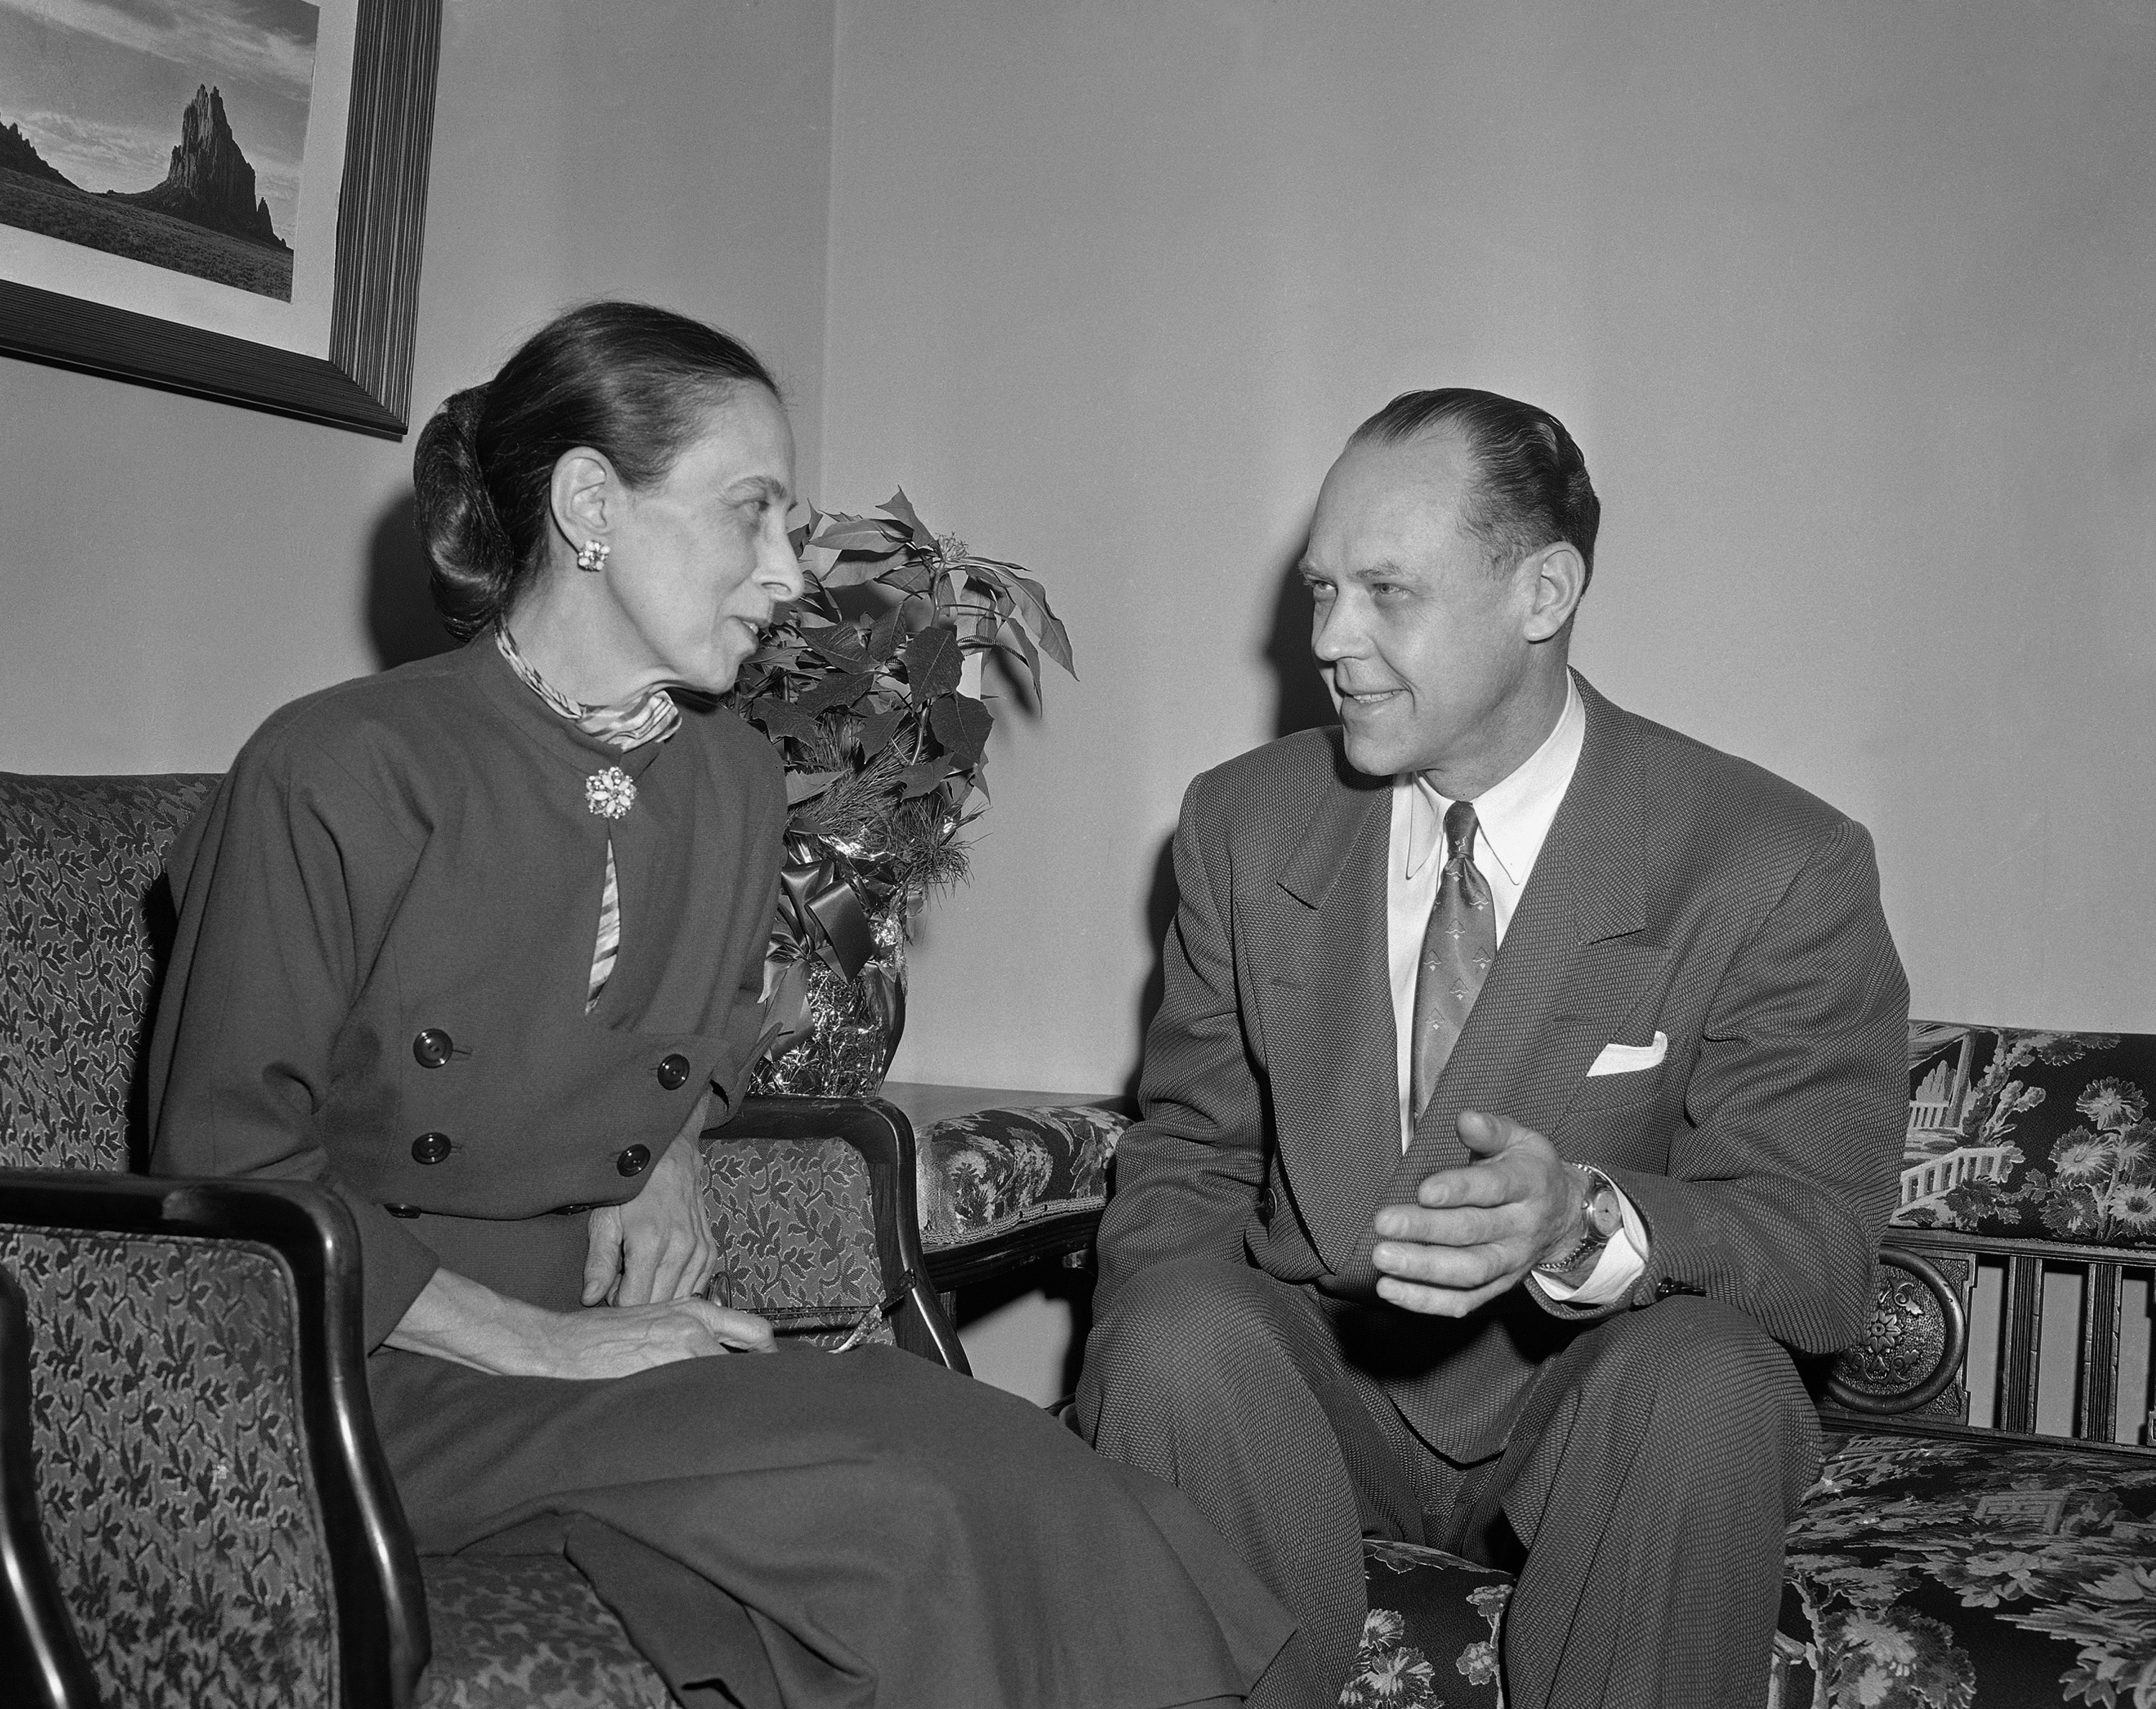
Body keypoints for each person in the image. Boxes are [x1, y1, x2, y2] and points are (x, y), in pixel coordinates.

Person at [147, 300, 1292, 1709]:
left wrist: (672, 1136)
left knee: (1013, 1463)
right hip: (374, 1357)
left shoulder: (734, 776)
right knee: (912, 1500)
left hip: (618, 1329)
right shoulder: (339, 767)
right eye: (750, 515)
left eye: (792, 525)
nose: (785, 576)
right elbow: (226, 1161)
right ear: (588, 507)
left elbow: (710, 1026)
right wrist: (540, 1342)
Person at [1076, 389, 1907, 1709]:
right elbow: (1189, 1150)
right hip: (1317, 1392)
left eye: (1386, 593)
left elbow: (1816, 1255)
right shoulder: (1242, 822)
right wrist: (1142, 1398)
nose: (1331, 639)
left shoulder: (1770, 864)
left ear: (1543, 591)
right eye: (1321, 589)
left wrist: (1589, 1217)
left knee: (1708, 1384)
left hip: (1600, 1408)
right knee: (1170, 1335)